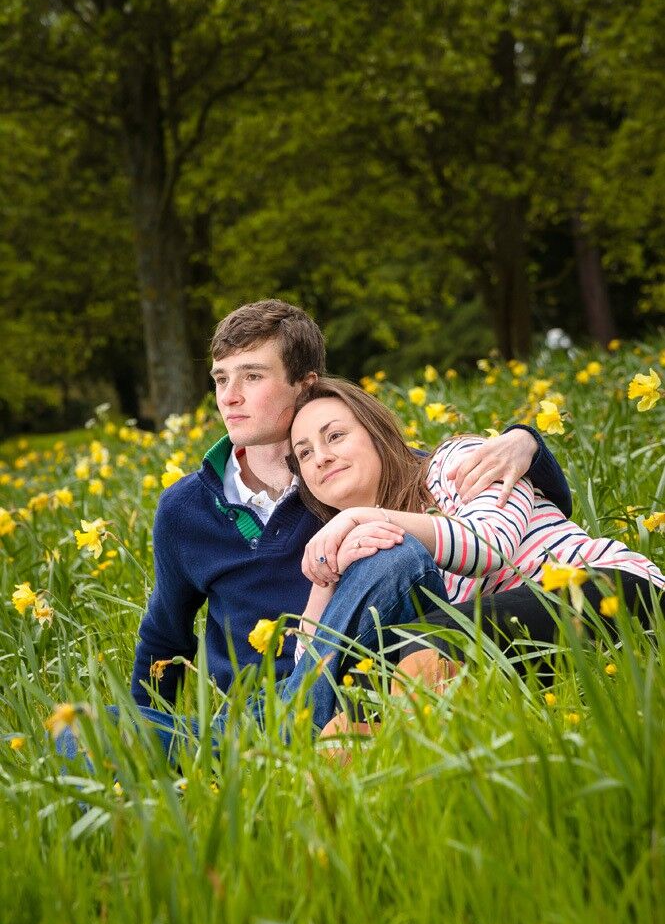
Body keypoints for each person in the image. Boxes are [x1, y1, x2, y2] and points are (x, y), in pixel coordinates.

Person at [130, 299, 570, 726]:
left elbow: (475, 495)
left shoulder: (349, 476)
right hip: (247, 714)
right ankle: (237, 745)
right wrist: (147, 721)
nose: (230, 397)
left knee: (393, 553)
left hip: (355, 694)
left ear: (305, 383)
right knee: (74, 737)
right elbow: (164, 637)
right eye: (221, 379)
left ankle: (288, 734)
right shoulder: (184, 509)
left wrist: (526, 443)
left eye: (252, 376)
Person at [282, 377, 664, 733]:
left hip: (612, 591)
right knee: (366, 682)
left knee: (425, 647)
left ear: (376, 433)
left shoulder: (455, 462)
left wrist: (362, 516)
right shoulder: (363, 549)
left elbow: (490, 546)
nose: (321, 457)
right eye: (305, 453)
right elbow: (313, 678)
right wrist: (327, 573)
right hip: (509, 637)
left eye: (335, 436)